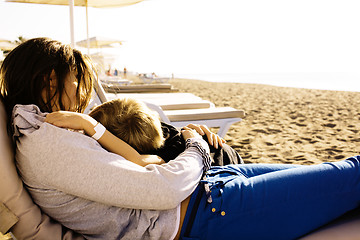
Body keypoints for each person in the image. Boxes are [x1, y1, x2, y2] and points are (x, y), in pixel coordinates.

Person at [2, 38, 360, 240]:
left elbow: (137, 168)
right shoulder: (46, 144)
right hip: (204, 213)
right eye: (77, 80)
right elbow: (162, 191)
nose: (84, 92)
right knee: (351, 174)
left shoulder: (55, 129)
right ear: (51, 82)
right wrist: (196, 146)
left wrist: (95, 128)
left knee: (341, 179)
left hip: (207, 191)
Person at [88, 98, 243, 166]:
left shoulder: (168, 154)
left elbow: (138, 160)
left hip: (228, 162)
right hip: (226, 152)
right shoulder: (161, 129)